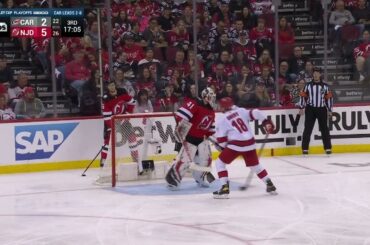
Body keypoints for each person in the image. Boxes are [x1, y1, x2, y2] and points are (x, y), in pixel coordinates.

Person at [212, 97, 276, 199]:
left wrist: (222, 147)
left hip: (236, 145)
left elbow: (222, 141)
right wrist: (266, 122)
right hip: (250, 143)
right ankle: (269, 183)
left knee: (219, 163)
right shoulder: (240, 110)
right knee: (255, 165)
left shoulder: (222, 119)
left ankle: (224, 188)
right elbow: (256, 112)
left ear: (223, 107)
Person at [165, 87, 217, 189]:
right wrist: (181, 127)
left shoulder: (212, 112)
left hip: (202, 139)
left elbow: (210, 129)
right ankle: (173, 179)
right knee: (185, 161)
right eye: (211, 97)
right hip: (190, 138)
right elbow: (181, 115)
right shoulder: (195, 104)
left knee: (207, 159)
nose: (213, 100)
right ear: (205, 97)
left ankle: (200, 178)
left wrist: (213, 138)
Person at [100, 81, 138, 169]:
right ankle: (103, 162)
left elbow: (132, 102)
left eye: (113, 85)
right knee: (107, 141)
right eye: (110, 86)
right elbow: (106, 116)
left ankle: (136, 159)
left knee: (132, 137)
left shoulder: (122, 92)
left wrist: (128, 113)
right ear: (107, 88)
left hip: (123, 119)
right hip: (110, 122)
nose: (112, 87)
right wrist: (112, 126)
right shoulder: (106, 98)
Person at [299, 67, 333, 155]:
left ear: (320, 74)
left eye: (317, 73)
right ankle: (305, 148)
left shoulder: (325, 86)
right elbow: (303, 95)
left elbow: (329, 98)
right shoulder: (307, 85)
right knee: (308, 128)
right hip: (310, 109)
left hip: (322, 109)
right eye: (314, 73)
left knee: (324, 129)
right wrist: (302, 107)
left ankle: (328, 147)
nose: (315, 74)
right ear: (312, 74)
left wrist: (329, 109)